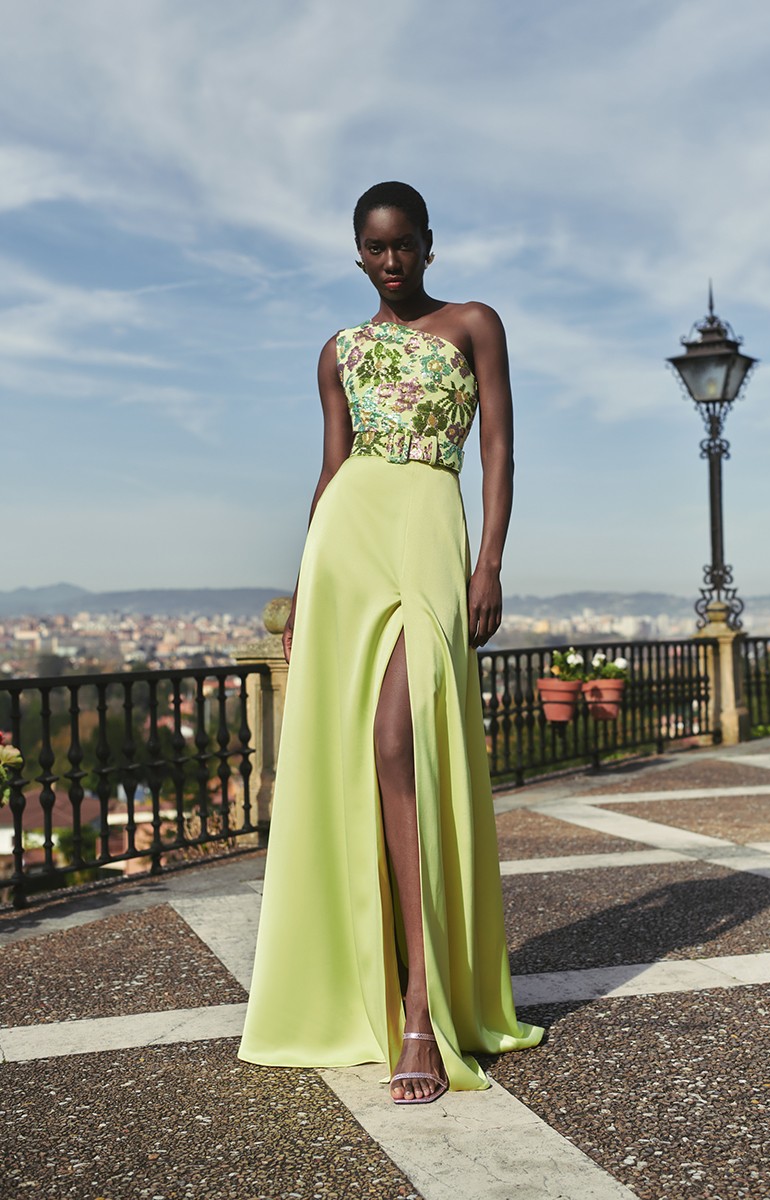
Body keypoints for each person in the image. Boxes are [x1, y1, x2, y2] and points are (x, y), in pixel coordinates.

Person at [238, 181, 543, 1103]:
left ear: (429, 243)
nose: (391, 260)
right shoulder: (338, 352)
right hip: (347, 537)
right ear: (358, 253)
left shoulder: (473, 324)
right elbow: (333, 465)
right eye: (375, 248)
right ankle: (380, 991)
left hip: (428, 523)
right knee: (352, 758)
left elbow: (497, 451)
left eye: (405, 244)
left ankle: (423, 1006)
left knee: (396, 738)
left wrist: (487, 563)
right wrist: (303, 578)